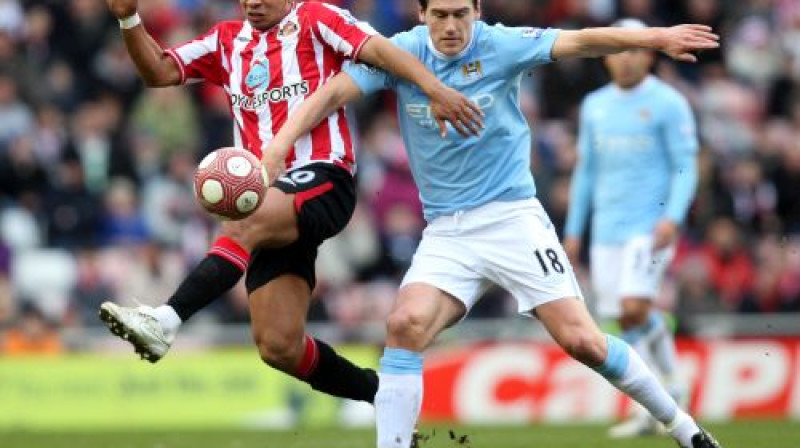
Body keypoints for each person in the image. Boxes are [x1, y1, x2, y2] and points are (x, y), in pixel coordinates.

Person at [259, 1, 723, 447]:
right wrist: (281, 143)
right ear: (422, 15)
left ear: (477, 12)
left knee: (583, 342)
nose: (451, 26)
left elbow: (580, 40)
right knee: (404, 323)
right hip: (446, 230)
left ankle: (685, 430)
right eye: (439, 15)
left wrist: (656, 38)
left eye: (461, 14)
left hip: (512, 218)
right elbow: (334, 92)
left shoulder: (501, 45)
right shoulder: (401, 52)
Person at [98, 0, 484, 408]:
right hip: (270, 198)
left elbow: (382, 51)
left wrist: (436, 89)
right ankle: (385, 394)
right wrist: (129, 19)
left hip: (324, 176)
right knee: (278, 345)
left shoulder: (318, 19)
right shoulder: (226, 41)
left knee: (242, 220)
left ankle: (165, 320)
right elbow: (159, 71)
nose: (254, 3)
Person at [563, 18, 699, 438]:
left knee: (632, 309)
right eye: (617, 52)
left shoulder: (668, 102)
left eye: (634, 51)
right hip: (606, 229)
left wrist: (672, 216)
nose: (625, 60)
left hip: (650, 225)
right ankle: (658, 400)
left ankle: (668, 388)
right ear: (605, 60)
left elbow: (685, 164)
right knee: (622, 318)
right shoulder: (594, 106)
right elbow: (586, 172)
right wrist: (574, 229)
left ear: (648, 54)